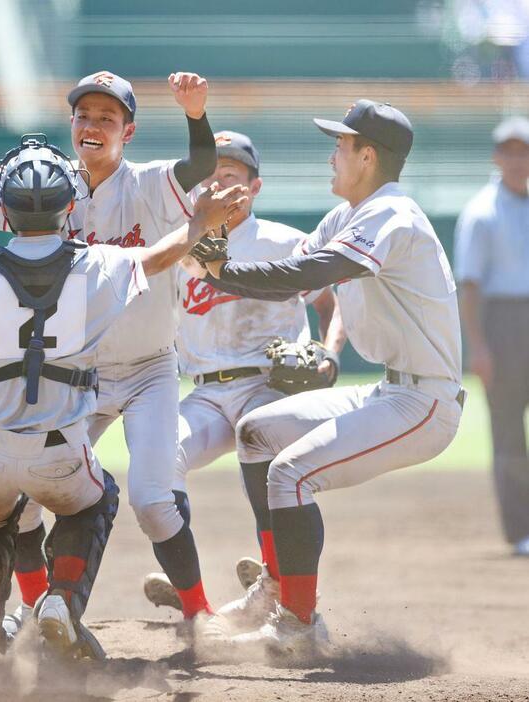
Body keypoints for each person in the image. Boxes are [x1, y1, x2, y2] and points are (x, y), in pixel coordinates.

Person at [0, 137, 245, 662]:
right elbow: (159, 259)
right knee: (95, 504)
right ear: (70, 206)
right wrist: (200, 223)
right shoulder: (94, 264)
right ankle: (62, 601)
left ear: (2, 209)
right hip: (60, 450)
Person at [188, 100, 464, 658]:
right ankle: (273, 589)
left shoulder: (393, 215)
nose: (332, 153)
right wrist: (213, 238)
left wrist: (218, 266)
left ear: (367, 155)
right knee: (256, 431)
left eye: (340, 144)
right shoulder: (350, 215)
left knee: (290, 473)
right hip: (391, 389)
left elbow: (312, 272)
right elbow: (289, 278)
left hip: (426, 401)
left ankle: (297, 624)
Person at [0, 70, 221, 631]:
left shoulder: (148, 183)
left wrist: (196, 115)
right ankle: (31, 607)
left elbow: (200, 168)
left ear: (129, 131)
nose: (92, 125)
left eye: (107, 118)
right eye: (83, 115)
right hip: (79, 374)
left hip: (149, 371)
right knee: (24, 502)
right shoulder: (50, 190)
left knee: (151, 501)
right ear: (70, 124)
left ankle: (200, 614)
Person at [141, 131, 346, 623]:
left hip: (268, 382)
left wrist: (327, 351)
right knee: (158, 462)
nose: (218, 184)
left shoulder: (284, 240)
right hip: (206, 393)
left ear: (255, 187)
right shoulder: (180, 247)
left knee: (264, 450)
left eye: (230, 175)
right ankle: (197, 607)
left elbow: (330, 304)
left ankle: (275, 579)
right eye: (209, 176)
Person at [454, 116, 529, 557]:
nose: (518, 160)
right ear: (497, 157)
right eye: (511, 151)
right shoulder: (482, 212)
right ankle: (520, 529)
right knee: (507, 432)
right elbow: (470, 285)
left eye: (525, 152)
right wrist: (478, 346)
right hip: (503, 323)